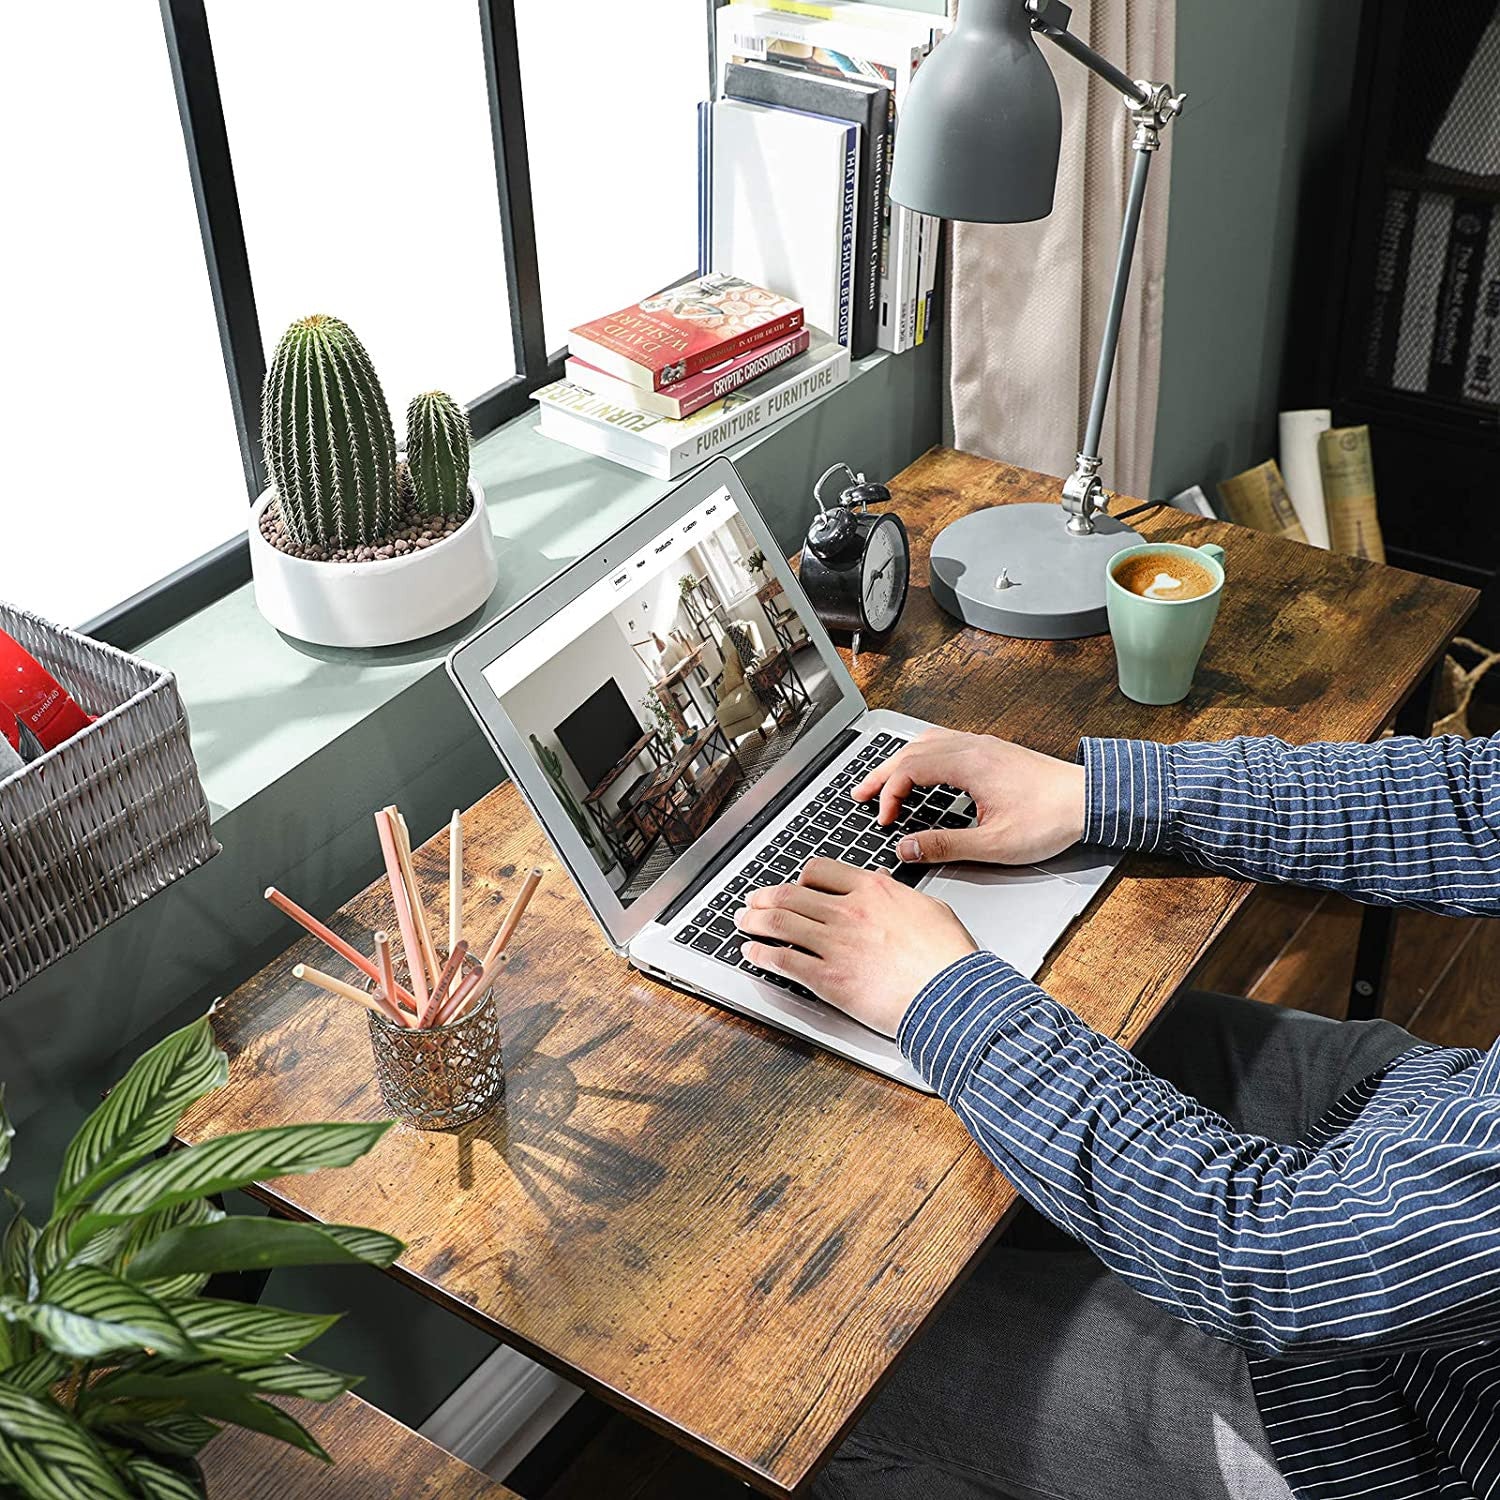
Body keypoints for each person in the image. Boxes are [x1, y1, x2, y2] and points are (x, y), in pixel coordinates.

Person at [735, 728, 1500, 1500]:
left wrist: (945, 998)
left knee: (823, 1375)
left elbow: (1293, 1258)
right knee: (1077, 1047)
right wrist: (1096, 794)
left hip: (1401, 1423)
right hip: (1429, 1113)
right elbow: (1478, 799)